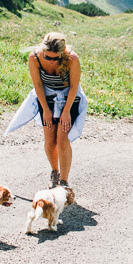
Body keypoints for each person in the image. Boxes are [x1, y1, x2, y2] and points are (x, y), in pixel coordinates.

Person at [26, 31, 83, 188]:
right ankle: (54, 172)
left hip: (69, 98)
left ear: (62, 53)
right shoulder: (34, 58)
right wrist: (45, 109)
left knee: (62, 139)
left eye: (55, 58)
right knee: (50, 140)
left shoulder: (72, 59)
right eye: (47, 57)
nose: (51, 61)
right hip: (47, 98)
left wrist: (66, 112)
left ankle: (64, 182)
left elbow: (73, 87)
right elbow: (37, 85)